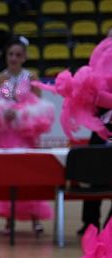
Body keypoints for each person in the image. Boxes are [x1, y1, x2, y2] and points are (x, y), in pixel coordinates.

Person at [0, 38, 55, 234]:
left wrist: (22, 114)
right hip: (3, 135)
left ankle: (35, 217)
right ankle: (8, 218)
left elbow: (38, 107)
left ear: (24, 57)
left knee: (29, 174)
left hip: (24, 134)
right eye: (10, 54)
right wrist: (1, 114)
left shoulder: (31, 78)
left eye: (18, 54)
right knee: (5, 174)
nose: (14, 58)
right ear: (6, 57)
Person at [38, 37, 112, 234]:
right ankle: (90, 223)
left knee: (98, 170)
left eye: (18, 55)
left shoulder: (25, 77)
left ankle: (106, 227)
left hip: (105, 129)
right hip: (102, 131)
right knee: (94, 171)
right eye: (12, 54)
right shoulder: (3, 78)